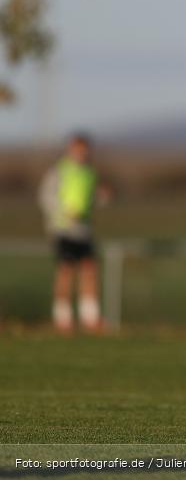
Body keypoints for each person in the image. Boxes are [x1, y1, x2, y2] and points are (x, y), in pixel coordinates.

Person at [38, 133, 107, 334]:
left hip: (83, 229)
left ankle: (90, 318)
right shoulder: (60, 170)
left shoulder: (90, 172)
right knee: (66, 270)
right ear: (71, 148)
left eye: (84, 148)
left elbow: (90, 199)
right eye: (78, 148)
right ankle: (63, 318)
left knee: (89, 269)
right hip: (63, 228)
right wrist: (64, 213)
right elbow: (45, 196)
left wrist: (102, 197)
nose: (82, 152)